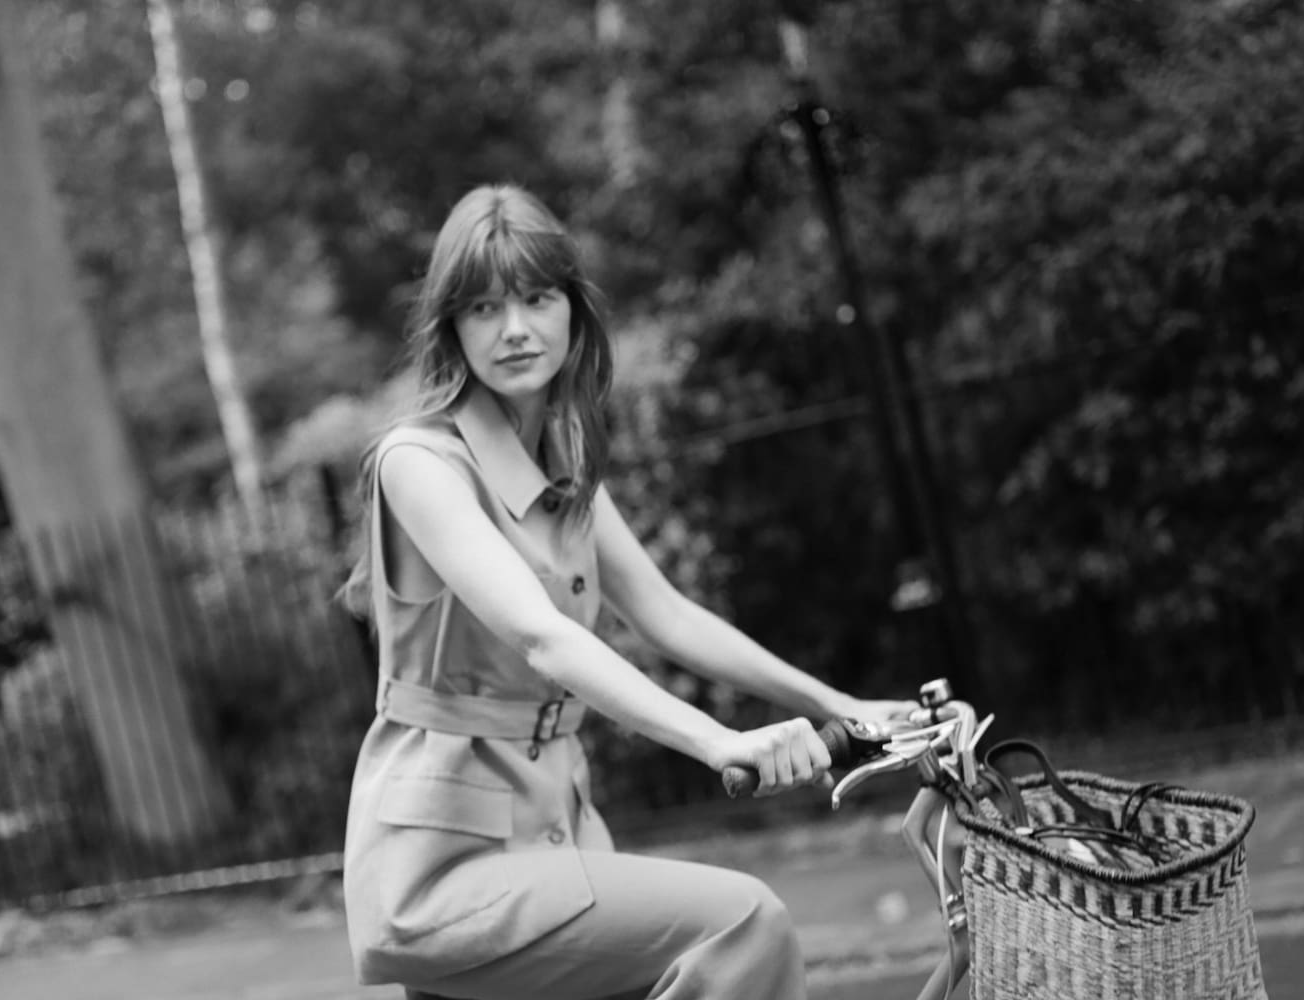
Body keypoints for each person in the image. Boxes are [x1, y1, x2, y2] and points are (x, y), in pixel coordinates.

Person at [338, 183, 915, 1000]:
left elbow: (667, 614)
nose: (513, 330)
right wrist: (719, 741)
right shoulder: (419, 462)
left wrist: (845, 706)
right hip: (447, 863)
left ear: (573, 309)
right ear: (450, 328)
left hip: (557, 832)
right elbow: (543, 635)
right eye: (482, 308)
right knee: (743, 923)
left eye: (537, 298)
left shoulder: (563, 453)